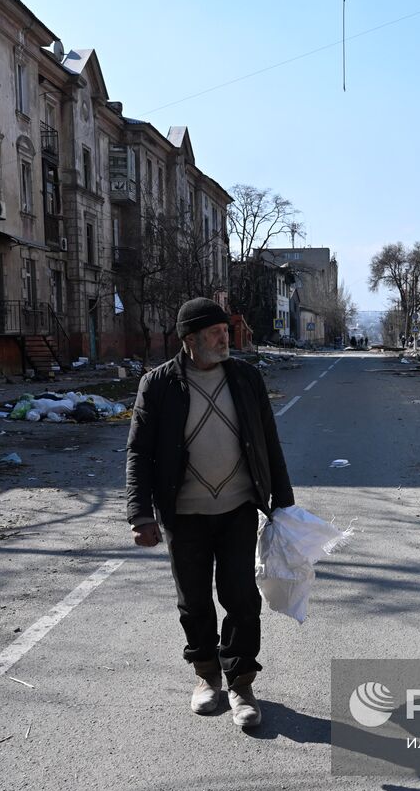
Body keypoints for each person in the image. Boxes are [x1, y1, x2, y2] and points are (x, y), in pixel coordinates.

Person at [126, 297, 295, 729]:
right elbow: (139, 453)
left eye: (226, 331)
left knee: (241, 598)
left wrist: (284, 502)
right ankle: (206, 677)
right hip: (183, 513)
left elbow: (269, 440)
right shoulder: (158, 384)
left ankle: (241, 683)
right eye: (217, 333)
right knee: (194, 600)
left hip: (239, 506)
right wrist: (140, 515)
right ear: (191, 340)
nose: (227, 338)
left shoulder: (246, 378)